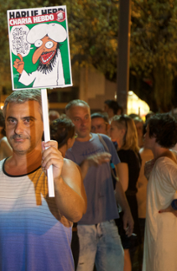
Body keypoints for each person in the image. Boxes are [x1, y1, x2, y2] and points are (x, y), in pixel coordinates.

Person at [0, 90, 86, 270]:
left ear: (44, 124)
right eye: (11, 120)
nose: (18, 130)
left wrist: (57, 181)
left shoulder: (64, 168)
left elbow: (76, 214)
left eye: (28, 120)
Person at [65, 99, 134, 271]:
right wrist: (86, 164)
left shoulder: (104, 141)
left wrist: (126, 210)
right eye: (77, 119)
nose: (83, 123)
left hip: (108, 223)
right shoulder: (66, 149)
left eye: (86, 117)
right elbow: (68, 188)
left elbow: (114, 180)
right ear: (68, 121)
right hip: (81, 227)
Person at [142, 114, 177, 271]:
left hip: (165, 239)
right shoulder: (162, 162)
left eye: (147, 130)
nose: (143, 134)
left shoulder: (164, 165)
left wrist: (175, 206)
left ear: (155, 135)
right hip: (159, 236)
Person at [109, 115, 142, 271]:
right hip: (130, 203)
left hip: (124, 206)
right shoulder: (134, 153)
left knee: (124, 251)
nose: (109, 131)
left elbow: (122, 185)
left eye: (112, 128)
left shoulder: (123, 154)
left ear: (122, 131)